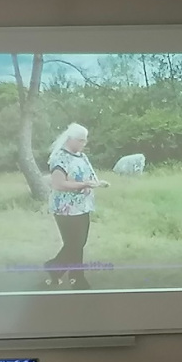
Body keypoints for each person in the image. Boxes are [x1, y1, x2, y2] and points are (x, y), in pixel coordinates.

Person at [44, 123, 108, 289]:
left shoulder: (81, 156)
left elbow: (88, 176)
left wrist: (96, 183)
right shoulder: (59, 157)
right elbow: (58, 184)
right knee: (74, 244)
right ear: (70, 139)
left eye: (85, 141)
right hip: (65, 208)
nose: (83, 144)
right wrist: (83, 184)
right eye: (80, 140)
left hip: (82, 206)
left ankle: (57, 268)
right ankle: (76, 278)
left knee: (78, 243)